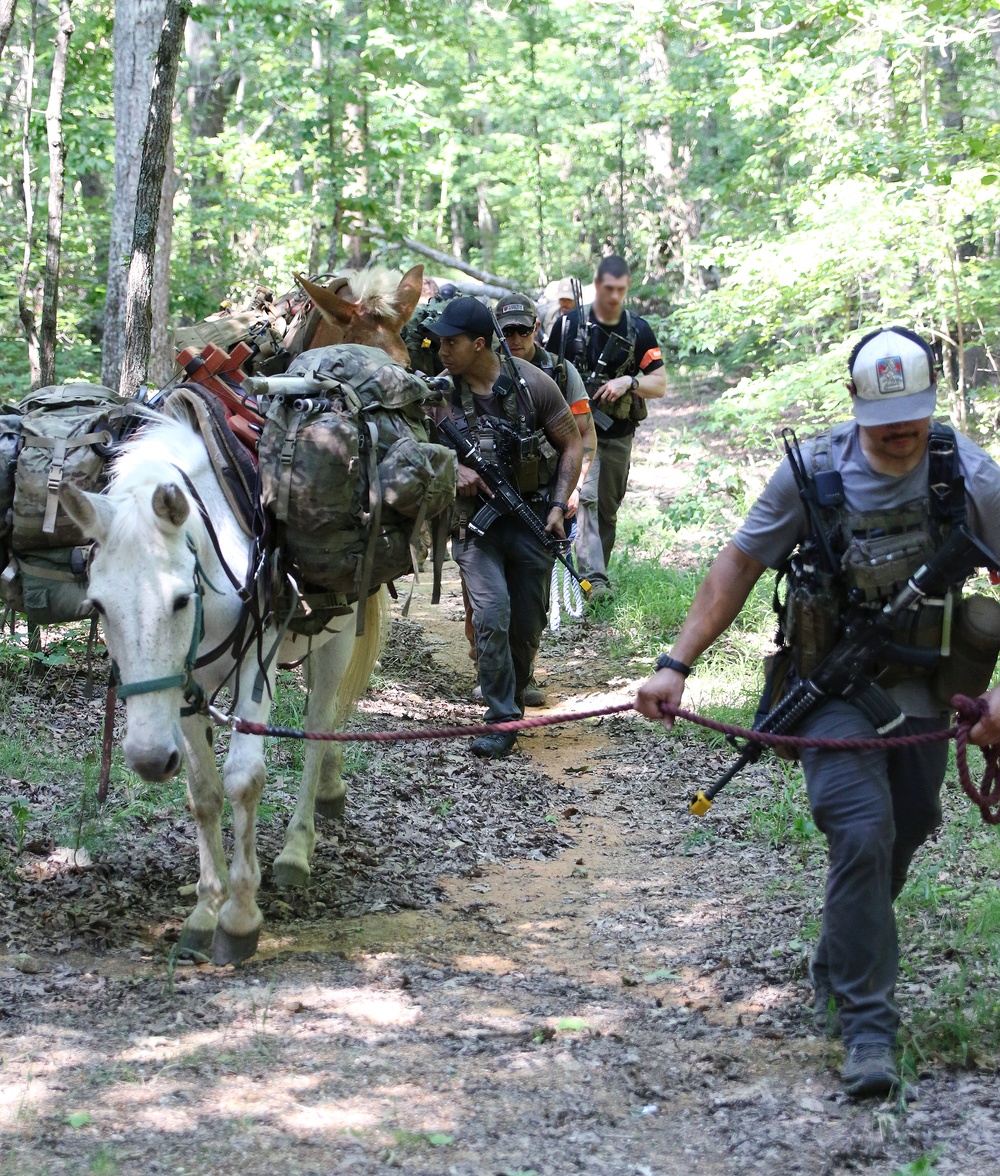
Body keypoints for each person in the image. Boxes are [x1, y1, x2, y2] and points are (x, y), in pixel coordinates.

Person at [634, 326, 1000, 1098]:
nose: (902, 432)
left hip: (928, 688)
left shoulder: (965, 475)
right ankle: (868, 1029)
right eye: (886, 417)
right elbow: (736, 564)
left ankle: (838, 958)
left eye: (915, 414)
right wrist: (675, 664)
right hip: (831, 693)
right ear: (854, 404)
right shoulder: (810, 476)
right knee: (860, 830)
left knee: (908, 828)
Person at [428, 297, 583, 757]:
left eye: (450, 342)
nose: (441, 350)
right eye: (439, 342)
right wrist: (450, 470)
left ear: (479, 344)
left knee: (526, 623)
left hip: (533, 518)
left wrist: (558, 505)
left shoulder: (533, 385)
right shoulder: (437, 396)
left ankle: (512, 698)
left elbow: (571, 445)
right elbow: (411, 449)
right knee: (492, 614)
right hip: (475, 527)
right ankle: (500, 717)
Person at [546, 256, 666, 598]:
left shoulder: (637, 329)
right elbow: (548, 373)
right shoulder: (568, 326)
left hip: (617, 433)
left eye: (620, 290)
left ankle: (591, 575)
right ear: (596, 286)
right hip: (579, 431)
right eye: (607, 288)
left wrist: (628, 382)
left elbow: (659, 384)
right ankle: (594, 581)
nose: (613, 296)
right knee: (586, 497)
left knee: (607, 507)